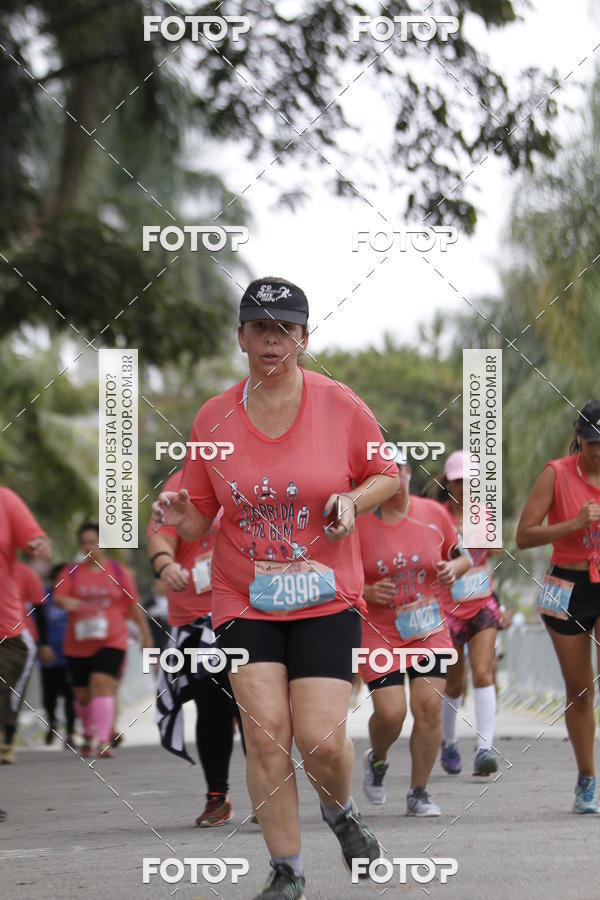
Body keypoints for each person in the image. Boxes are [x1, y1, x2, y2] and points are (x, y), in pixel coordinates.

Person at [152, 277, 399, 900]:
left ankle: (341, 813)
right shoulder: (213, 417)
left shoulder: (339, 403)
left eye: (286, 328)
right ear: (240, 337)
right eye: (261, 327)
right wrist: (182, 519)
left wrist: (351, 496)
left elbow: (387, 474)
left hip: (324, 593)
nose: (273, 339)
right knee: (264, 734)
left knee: (320, 738)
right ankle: (287, 869)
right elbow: (201, 514)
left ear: (304, 339)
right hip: (244, 597)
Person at [358, 450, 470, 815]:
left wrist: (455, 567)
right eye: (385, 475)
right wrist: (365, 592)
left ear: (407, 474)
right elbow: (337, 575)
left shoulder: (433, 513)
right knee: (391, 713)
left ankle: (418, 792)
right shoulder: (358, 522)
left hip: (427, 626)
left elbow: (463, 555)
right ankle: (377, 757)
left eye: (400, 472)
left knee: (428, 709)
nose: (395, 481)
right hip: (379, 630)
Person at [147, 470, 244, 827]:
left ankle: (271, 795)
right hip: (198, 619)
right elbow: (160, 536)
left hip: (251, 611)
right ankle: (217, 796)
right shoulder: (179, 485)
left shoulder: (252, 474)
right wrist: (165, 565)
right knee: (213, 706)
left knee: (257, 708)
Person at [516, 400, 600, 813]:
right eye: (591, 442)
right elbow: (524, 536)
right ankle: (587, 778)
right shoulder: (557, 473)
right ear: (578, 438)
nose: (598, 451)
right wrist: (575, 524)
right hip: (566, 584)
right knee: (580, 692)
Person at [433, 450, 504, 777]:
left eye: (469, 480)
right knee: (455, 682)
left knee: (484, 673)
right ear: (447, 482)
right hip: (448, 610)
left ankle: (484, 749)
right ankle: (448, 742)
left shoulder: (484, 513)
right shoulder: (436, 517)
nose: (463, 486)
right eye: (458, 480)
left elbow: (496, 550)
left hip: (482, 604)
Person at [53, 522, 152, 758]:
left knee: (102, 683)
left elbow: (133, 606)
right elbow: (58, 598)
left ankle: (104, 740)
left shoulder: (118, 572)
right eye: (84, 542)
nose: (89, 547)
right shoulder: (71, 572)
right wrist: (69, 602)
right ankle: (88, 733)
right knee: (82, 695)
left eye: (93, 542)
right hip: (78, 643)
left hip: (112, 638)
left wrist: (145, 634)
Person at [0, 487, 51, 779]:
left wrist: (38, 544)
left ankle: (8, 738)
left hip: (6, 634)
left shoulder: (5, 500)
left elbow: (34, 537)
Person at [38, 562, 76, 747]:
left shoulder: (75, 596)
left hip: (71, 653)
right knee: (49, 696)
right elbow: (36, 622)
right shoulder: (42, 597)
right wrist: (42, 645)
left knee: (71, 694)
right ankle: (52, 722)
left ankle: (70, 734)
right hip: (49, 654)